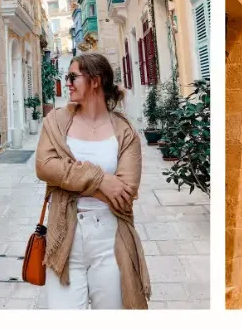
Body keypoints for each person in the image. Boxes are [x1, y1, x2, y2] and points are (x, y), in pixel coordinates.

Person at [35, 53, 151, 309]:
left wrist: (70, 181)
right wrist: (102, 181)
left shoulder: (125, 131)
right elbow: (45, 167)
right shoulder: (56, 121)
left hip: (109, 239)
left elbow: (126, 192)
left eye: (73, 77)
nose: (68, 83)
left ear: (95, 81)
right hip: (64, 235)